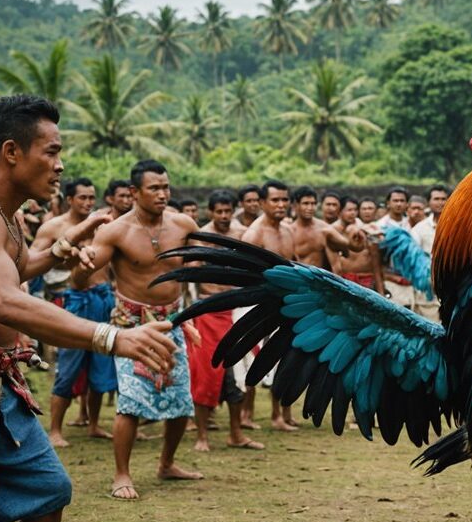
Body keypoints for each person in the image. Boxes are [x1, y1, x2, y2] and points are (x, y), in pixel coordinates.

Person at [0, 96, 175, 522]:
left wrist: (56, 250)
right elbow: (5, 300)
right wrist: (113, 337)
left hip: (1, 390)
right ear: (12, 152)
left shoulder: (9, 216)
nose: (59, 165)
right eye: (51, 151)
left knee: (48, 490)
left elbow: (15, 268)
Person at [73, 159, 203, 500]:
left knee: (180, 399)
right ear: (134, 192)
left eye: (166, 188)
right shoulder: (116, 231)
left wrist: (187, 319)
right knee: (130, 400)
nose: (163, 194)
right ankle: (121, 474)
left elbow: (193, 271)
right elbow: (78, 278)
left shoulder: (183, 223)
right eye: (154, 189)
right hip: (130, 325)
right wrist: (83, 263)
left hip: (171, 321)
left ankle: (167, 464)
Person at [32, 178, 117, 448]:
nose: (88, 203)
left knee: (100, 366)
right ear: (69, 199)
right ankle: (55, 430)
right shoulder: (54, 227)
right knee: (68, 368)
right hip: (73, 300)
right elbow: (30, 261)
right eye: (82, 198)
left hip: (103, 298)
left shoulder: (106, 225)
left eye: (92, 198)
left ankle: (93, 424)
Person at [186, 190, 264, 453]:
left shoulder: (243, 234)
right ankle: (202, 436)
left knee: (239, 374)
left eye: (227, 211)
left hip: (236, 308)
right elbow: (187, 271)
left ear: (233, 210)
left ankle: (236, 433)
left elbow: (255, 266)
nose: (223, 216)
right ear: (210, 211)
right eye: (218, 211)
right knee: (206, 375)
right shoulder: (201, 236)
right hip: (208, 313)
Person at [242, 180, 301, 432]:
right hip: (260, 303)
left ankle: (282, 413)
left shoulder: (287, 230)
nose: (281, 205)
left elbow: (294, 264)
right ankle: (246, 413)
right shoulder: (254, 234)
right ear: (263, 203)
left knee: (286, 357)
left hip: (286, 303)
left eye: (284, 200)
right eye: (275, 200)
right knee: (254, 358)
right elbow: (244, 274)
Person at [290, 186, 364, 272]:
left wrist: (357, 239)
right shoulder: (290, 231)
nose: (310, 208)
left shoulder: (324, 229)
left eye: (313, 203)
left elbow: (350, 247)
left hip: (319, 280)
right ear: (296, 205)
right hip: (297, 280)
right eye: (306, 203)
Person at [411, 185, 448, 321]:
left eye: (444, 199)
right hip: (428, 289)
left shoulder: (458, 225)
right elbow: (414, 260)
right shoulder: (419, 229)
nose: (440, 202)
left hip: (454, 286)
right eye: (436, 199)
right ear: (428, 202)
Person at [336, 196, 385, 292]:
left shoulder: (373, 231)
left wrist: (381, 291)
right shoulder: (334, 231)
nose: (352, 213)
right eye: (349, 210)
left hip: (367, 280)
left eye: (354, 210)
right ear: (340, 211)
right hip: (345, 280)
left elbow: (376, 265)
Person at [377, 187, 414, 308]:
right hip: (390, 279)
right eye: (395, 200)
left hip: (412, 279)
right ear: (388, 203)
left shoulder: (412, 224)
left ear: (407, 204)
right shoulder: (380, 226)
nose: (399, 204)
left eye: (402, 201)